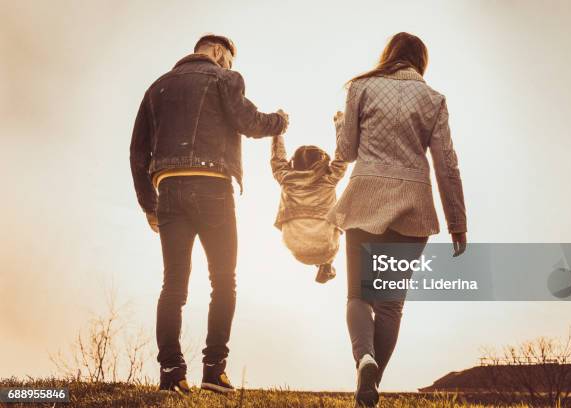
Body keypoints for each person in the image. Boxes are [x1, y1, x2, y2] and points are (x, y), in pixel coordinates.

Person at [129, 34, 289, 393]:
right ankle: (213, 371)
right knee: (223, 280)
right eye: (229, 60)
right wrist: (279, 121)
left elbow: (137, 152)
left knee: (173, 285)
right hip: (213, 185)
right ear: (219, 53)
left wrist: (148, 204)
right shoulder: (225, 78)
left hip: (168, 189)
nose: (229, 66)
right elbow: (248, 121)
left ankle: (171, 373)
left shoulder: (157, 87)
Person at [327, 32, 468, 407]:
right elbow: (446, 163)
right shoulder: (434, 99)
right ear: (422, 61)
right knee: (390, 304)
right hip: (412, 206)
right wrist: (457, 220)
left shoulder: (362, 87)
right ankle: (370, 386)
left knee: (358, 295)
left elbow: (347, 151)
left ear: (388, 55)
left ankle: (365, 360)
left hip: (365, 200)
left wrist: (340, 124)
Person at [270, 134, 347, 283]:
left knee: (331, 218)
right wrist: (341, 126)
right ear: (322, 162)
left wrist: (277, 132)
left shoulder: (286, 178)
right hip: (326, 247)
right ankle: (327, 263)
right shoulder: (329, 179)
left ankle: (325, 264)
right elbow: (342, 157)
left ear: (294, 163)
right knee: (340, 214)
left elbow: (277, 159)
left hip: (295, 247)